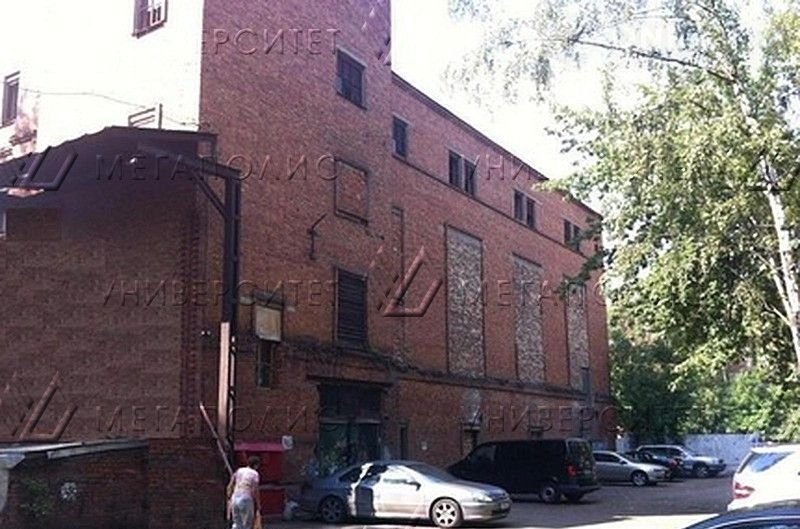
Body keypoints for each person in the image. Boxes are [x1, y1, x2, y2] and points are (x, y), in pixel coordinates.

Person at [227, 456, 262, 529]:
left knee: (237, 523)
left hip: (235, 497)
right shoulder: (254, 474)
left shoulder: (239, 470)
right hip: (246, 498)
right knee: (247, 524)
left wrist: (229, 494)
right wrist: (258, 504)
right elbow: (255, 490)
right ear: (256, 465)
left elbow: (232, 481)